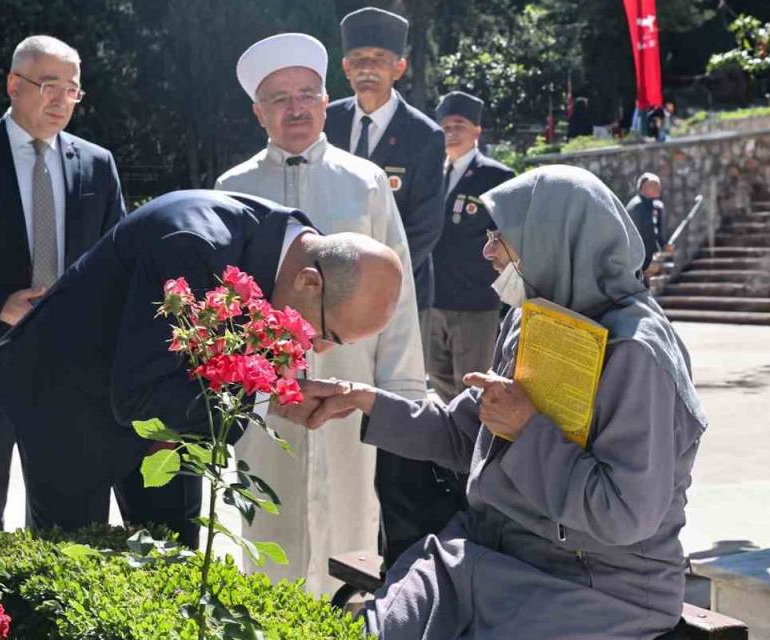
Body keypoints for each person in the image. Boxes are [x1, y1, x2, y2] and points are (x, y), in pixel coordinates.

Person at [280, 165, 709, 639]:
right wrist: (362, 400)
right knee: (381, 628)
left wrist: (528, 430)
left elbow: (625, 514)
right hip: (484, 556)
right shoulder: (533, 319)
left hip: (596, 586)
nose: (487, 251)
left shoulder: (636, 353)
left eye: (501, 236)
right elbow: (467, 433)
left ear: (554, 239)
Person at [0, 191, 406, 546]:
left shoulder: (295, 250)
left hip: (160, 399)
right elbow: (140, 395)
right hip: (67, 398)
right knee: (73, 566)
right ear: (309, 282)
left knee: (174, 558)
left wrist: (278, 396)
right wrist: (267, 399)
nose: (318, 349)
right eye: (327, 334)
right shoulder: (194, 244)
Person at [215, 33, 425, 593]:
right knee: (266, 518)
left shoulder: (365, 181)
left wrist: (402, 397)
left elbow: (397, 293)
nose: (296, 107)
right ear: (258, 112)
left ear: (326, 99)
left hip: (350, 383)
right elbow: (219, 304)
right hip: (264, 399)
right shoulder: (232, 188)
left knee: (353, 521)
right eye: (279, 98)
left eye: (307, 93)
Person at [0, 35, 126, 541]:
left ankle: (48, 612)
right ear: (14, 85)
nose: (61, 100)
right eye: (49, 85)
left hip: (71, 362)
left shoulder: (97, 162)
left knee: (67, 502)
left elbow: (117, 256)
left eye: (72, 90)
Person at [322, 5, 451, 565]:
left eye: (377, 60)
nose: (366, 70)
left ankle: (396, 549)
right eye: (356, 61)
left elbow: (424, 226)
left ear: (399, 67)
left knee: (395, 416)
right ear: (344, 69)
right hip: (322, 305)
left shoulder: (422, 136)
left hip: (395, 306)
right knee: (331, 410)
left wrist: (370, 290)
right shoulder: (325, 121)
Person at [428, 91, 514, 400]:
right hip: (433, 296)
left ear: (476, 130)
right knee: (436, 374)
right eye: (446, 125)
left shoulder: (496, 176)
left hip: (474, 299)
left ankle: (472, 445)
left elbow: (508, 236)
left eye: (460, 124)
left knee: (473, 385)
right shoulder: (430, 172)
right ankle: (454, 440)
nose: (451, 130)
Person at [625, 173, 668, 280]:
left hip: (649, 254)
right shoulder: (637, 206)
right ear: (644, 187)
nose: (659, 188)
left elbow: (655, 230)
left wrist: (662, 245)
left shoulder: (653, 204)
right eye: (655, 185)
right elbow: (633, 233)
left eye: (659, 185)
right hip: (639, 256)